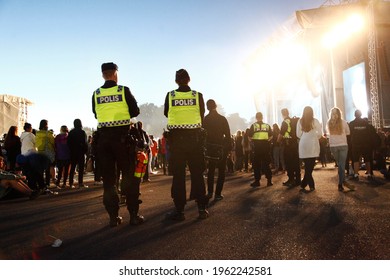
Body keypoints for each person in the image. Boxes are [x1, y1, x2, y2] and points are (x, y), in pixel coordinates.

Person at [92, 62, 144, 227]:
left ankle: (113, 218)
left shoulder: (96, 93)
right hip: (122, 140)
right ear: (115, 73)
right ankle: (134, 216)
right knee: (128, 177)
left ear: (103, 75)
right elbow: (135, 111)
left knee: (109, 181)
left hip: (104, 141)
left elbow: (95, 114)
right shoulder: (123, 90)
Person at [163, 68, 209, 221]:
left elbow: (166, 113)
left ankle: (179, 210)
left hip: (177, 141)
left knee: (179, 176)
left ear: (176, 81)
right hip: (195, 140)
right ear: (189, 79)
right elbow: (201, 115)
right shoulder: (198, 96)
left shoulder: (170, 96)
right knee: (197, 174)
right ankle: (202, 208)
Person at [203, 99, 231, 201]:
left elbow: (203, 135)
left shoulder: (205, 119)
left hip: (210, 148)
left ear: (207, 107)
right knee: (221, 171)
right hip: (220, 147)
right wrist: (227, 148)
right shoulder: (222, 119)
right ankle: (218, 193)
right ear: (216, 106)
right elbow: (228, 135)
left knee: (210, 171)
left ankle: (210, 192)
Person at [296, 106, 322, 192]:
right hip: (313, 144)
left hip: (303, 144)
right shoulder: (315, 121)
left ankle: (304, 183)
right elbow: (320, 134)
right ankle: (310, 185)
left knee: (307, 166)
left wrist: (304, 136)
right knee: (310, 166)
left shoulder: (300, 121)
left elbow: (298, 134)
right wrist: (314, 137)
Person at [326, 107, 350, 191]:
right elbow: (348, 132)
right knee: (341, 165)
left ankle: (340, 183)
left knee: (340, 165)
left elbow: (328, 134)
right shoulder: (343, 122)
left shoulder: (329, 123)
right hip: (343, 145)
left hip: (333, 146)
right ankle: (342, 181)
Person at [349, 110, 376, 181]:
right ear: (361, 114)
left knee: (355, 160)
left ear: (355, 115)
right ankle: (369, 174)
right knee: (367, 159)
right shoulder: (366, 123)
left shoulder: (351, 124)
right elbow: (369, 133)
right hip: (365, 144)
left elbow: (349, 134)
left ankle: (355, 174)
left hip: (355, 144)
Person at [248, 112, 273, 187]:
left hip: (257, 147)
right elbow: (271, 136)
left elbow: (249, 137)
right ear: (262, 117)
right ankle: (269, 181)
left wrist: (253, 142)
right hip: (265, 147)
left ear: (256, 117)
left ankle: (257, 181)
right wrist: (267, 141)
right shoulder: (267, 126)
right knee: (266, 164)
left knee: (257, 165)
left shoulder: (253, 126)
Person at [278, 108, 301, 188]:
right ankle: (298, 179)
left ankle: (291, 179)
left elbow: (281, 134)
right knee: (296, 162)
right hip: (295, 144)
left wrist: (278, 140)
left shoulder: (285, 122)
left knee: (289, 162)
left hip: (288, 145)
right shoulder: (294, 121)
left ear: (282, 114)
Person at [67, 119, 88, 189]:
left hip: (73, 152)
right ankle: (80, 183)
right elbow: (85, 143)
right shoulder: (82, 132)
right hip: (80, 152)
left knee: (72, 167)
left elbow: (68, 143)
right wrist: (85, 151)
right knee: (81, 168)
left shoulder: (71, 132)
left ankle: (70, 183)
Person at [35, 120, 55, 187]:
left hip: (39, 152)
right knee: (47, 169)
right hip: (47, 152)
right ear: (45, 125)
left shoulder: (36, 133)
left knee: (40, 169)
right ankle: (47, 184)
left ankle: (41, 184)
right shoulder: (49, 133)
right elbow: (53, 142)